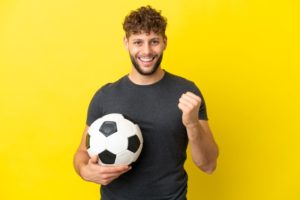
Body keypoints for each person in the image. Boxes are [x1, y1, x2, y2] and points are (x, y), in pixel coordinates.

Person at [73, 5, 219, 200]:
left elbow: (208, 165)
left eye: (154, 41)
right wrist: (84, 170)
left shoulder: (187, 93)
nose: (147, 51)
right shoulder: (105, 96)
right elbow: (82, 153)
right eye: (138, 42)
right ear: (126, 43)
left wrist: (192, 123)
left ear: (165, 42)